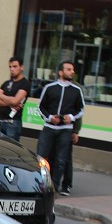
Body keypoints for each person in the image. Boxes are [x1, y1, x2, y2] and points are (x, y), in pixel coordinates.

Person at [35, 60, 85, 194]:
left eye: (73, 70)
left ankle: (54, 186)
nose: (72, 72)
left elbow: (81, 109)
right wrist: (50, 117)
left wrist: (71, 117)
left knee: (61, 159)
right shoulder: (50, 88)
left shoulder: (76, 90)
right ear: (61, 72)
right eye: (69, 69)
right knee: (41, 156)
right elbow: (40, 107)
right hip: (49, 127)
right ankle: (40, 183)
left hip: (65, 130)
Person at [0, 56, 30, 142]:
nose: (12, 69)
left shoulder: (25, 83)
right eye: (10, 67)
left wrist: (2, 96)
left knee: (11, 148)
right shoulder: (6, 83)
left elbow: (15, 101)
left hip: (13, 123)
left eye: (15, 66)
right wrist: (10, 102)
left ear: (22, 67)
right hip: (0, 121)